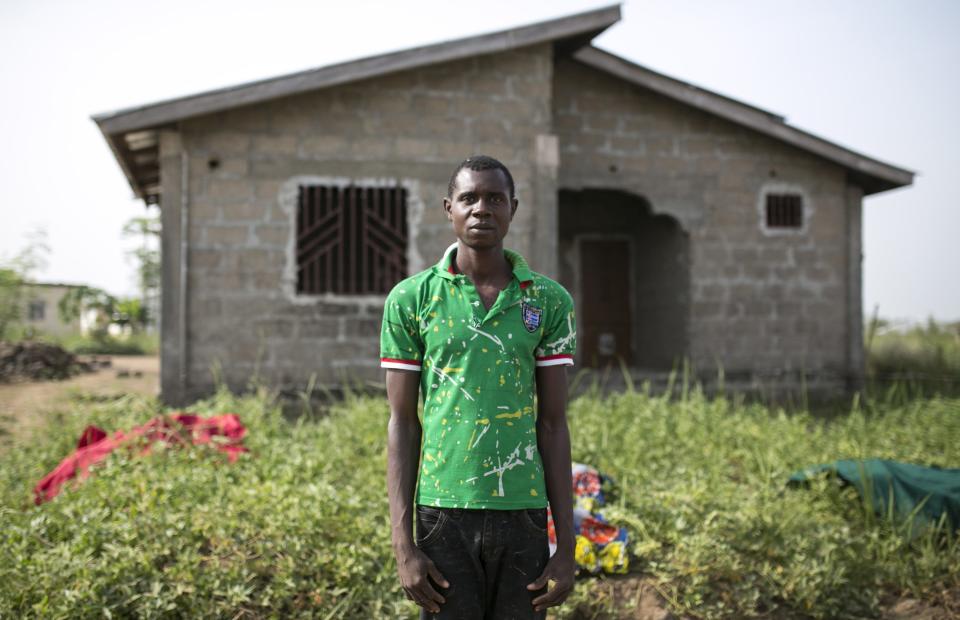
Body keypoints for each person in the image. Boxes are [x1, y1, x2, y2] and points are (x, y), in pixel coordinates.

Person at [380, 155, 578, 619]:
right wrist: (402, 543)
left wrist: (567, 545)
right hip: (442, 512)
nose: (481, 209)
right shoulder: (413, 299)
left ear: (513, 208)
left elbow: (552, 424)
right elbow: (402, 424)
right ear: (449, 208)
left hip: (524, 513)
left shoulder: (547, 300)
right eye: (469, 198)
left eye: (494, 198)